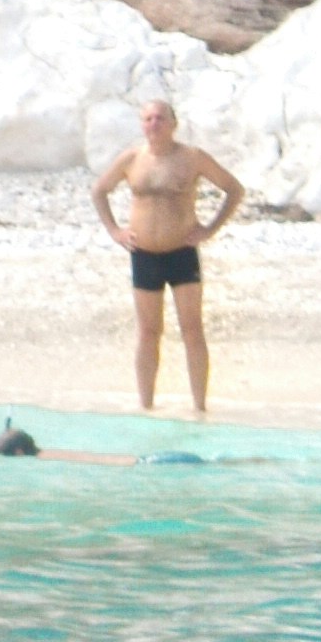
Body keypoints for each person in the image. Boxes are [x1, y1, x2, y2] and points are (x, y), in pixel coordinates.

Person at [92, 97, 245, 413]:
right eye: (148, 119)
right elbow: (99, 191)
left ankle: (200, 407)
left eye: (160, 118)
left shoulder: (191, 158)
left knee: (192, 329)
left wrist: (210, 229)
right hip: (144, 254)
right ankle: (146, 405)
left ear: (174, 124)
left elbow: (234, 189)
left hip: (182, 252)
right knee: (149, 332)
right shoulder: (132, 159)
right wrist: (115, 231)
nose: (154, 124)